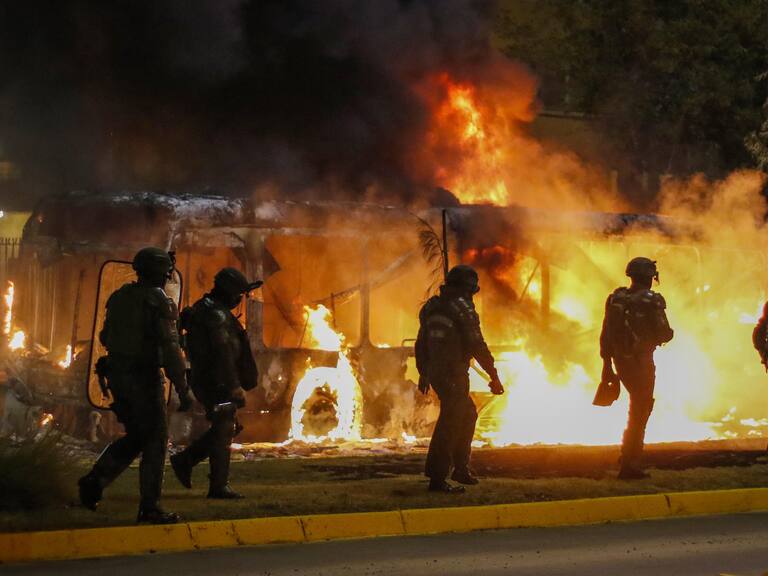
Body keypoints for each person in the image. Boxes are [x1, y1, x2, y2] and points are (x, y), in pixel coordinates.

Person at [78, 247, 192, 524]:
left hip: (117, 375)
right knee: (154, 441)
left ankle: (95, 481)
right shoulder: (159, 302)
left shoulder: (120, 297)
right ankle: (150, 507)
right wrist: (182, 387)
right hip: (143, 378)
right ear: (161, 273)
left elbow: (105, 336)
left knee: (137, 435)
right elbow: (170, 348)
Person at [171, 267, 261, 499]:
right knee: (223, 429)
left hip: (208, 379)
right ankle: (215, 484)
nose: (240, 299)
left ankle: (186, 462)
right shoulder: (217, 315)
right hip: (216, 381)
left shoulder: (207, 309)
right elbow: (223, 353)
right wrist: (233, 385)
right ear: (230, 293)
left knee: (225, 427)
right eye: (239, 294)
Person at [415, 264, 504, 493]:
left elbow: (422, 342)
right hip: (453, 373)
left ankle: (461, 469)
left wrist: (424, 372)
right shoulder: (462, 307)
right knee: (450, 422)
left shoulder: (431, 307)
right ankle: (437, 478)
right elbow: (477, 344)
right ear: (468, 289)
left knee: (467, 414)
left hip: (437, 372)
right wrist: (493, 376)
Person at [600, 257, 674, 480]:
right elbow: (664, 332)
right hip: (641, 363)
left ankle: (627, 458)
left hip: (619, 362)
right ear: (649, 277)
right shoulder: (652, 300)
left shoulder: (616, 298)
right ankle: (630, 463)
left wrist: (607, 366)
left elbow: (605, 335)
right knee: (640, 411)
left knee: (636, 409)